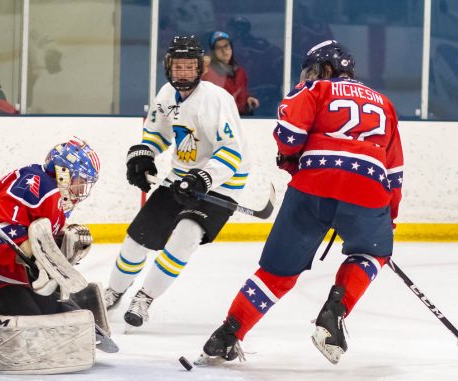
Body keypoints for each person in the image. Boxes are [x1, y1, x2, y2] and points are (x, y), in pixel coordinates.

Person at [200, 40, 403, 365]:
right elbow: (394, 171)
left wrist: (290, 159)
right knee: (373, 254)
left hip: (314, 184)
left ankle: (228, 334)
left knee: (276, 272)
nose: (309, 76)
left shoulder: (316, 89)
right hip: (369, 185)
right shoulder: (386, 104)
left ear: (326, 70)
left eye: (312, 70)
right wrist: (386, 223)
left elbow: (290, 135)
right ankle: (335, 309)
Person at [103, 35, 251, 329]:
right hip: (181, 177)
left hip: (223, 182)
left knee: (185, 237)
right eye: (177, 67)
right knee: (138, 238)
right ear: (168, 67)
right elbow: (157, 134)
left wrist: (204, 177)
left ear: (201, 68)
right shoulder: (166, 95)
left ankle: (145, 298)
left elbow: (232, 152)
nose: (182, 73)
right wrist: (144, 155)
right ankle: (114, 291)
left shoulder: (215, 99)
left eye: (189, 67)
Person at [0, 137, 99, 317]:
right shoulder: (38, 184)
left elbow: (37, 233)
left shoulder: (56, 195)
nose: (81, 190)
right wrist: (35, 256)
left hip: (1, 267)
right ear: (63, 172)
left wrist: (64, 242)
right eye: (80, 180)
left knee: (50, 312)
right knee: (32, 319)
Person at [201, 31, 259, 116]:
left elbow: (239, 92)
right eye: (218, 48)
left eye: (226, 46)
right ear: (213, 52)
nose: (224, 51)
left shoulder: (239, 71)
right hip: (220, 120)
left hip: (241, 119)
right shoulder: (207, 73)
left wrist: (247, 99)